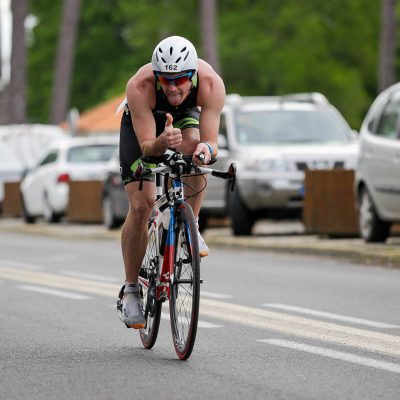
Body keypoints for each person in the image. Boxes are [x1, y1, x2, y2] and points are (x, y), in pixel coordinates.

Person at [118, 35, 225, 328]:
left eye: (180, 80)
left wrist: (206, 150)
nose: (173, 87)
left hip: (183, 118)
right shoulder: (140, 87)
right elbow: (147, 148)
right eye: (166, 80)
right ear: (156, 76)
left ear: (193, 76)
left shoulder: (211, 84)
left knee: (194, 150)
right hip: (144, 126)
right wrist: (162, 141)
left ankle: (191, 224)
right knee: (143, 204)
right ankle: (130, 290)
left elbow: (212, 142)